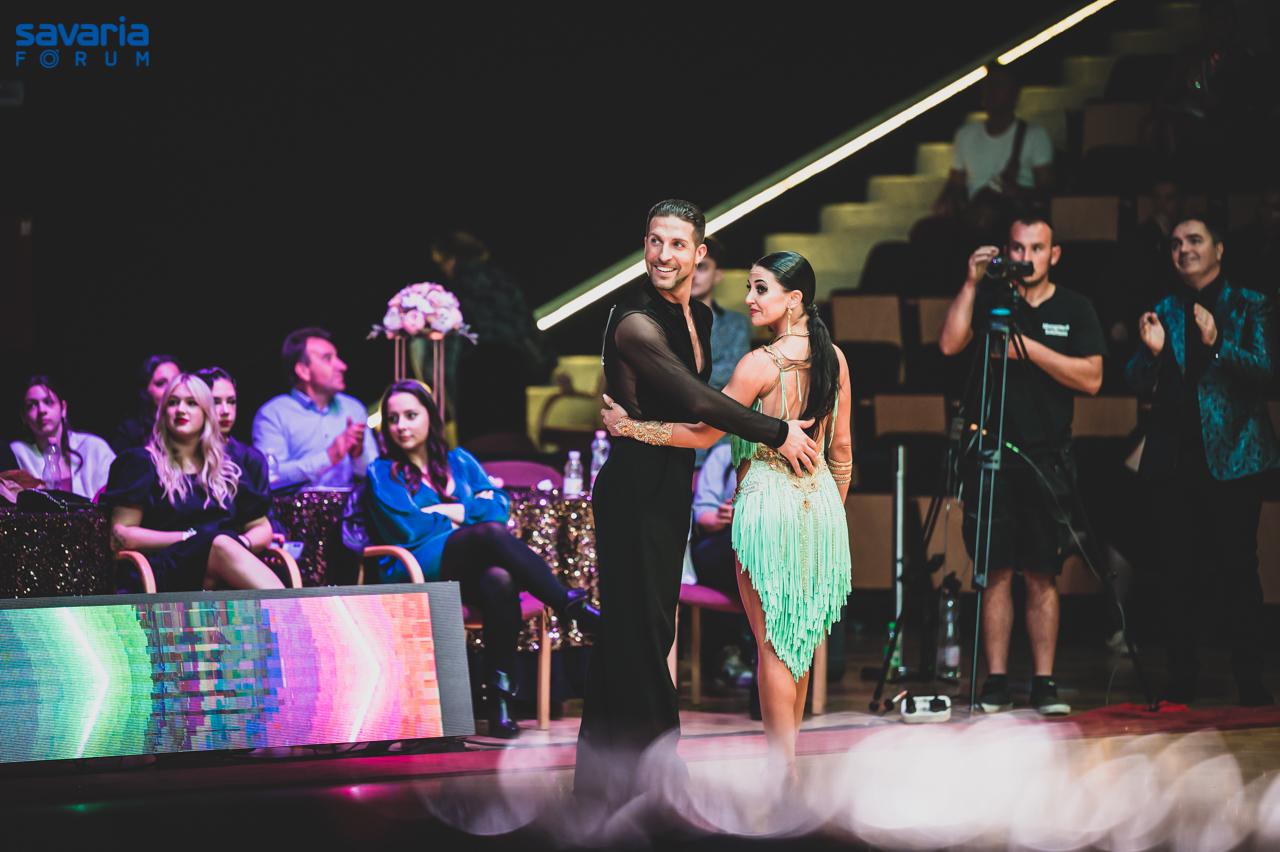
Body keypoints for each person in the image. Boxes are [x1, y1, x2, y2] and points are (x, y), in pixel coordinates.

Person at [574, 199, 820, 806]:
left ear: (699, 252)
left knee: (640, 633)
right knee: (640, 634)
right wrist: (778, 432)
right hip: (632, 488)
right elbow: (700, 401)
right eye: (654, 241)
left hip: (668, 484)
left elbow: (698, 419)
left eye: (677, 244)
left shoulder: (700, 316)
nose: (663, 255)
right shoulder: (633, 322)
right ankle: (658, 778)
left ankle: (605, 784)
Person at [604, 250, 853, 781]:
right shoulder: (835, 359)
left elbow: (703, 434)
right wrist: (829, 513)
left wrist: (632, 429)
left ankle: (781, 773)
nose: (749, 299)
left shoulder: (758, 364)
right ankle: (788, 769)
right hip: (822, 507)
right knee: (798, 642)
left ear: (794, 299)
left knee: (773, 645)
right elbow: (843, 452)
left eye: (761, 289)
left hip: (767, 505)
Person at [938, 213, 1106, 716]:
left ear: (1054, 254)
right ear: (1006, 251)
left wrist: (1028, 351)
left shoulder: (1075, 308)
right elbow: (949, 344)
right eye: (1017, 248)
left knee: (1041, 573)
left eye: (1036, 249)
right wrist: (971, 282)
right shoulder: (992, 300)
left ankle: (1043, 682)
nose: (1025, 258)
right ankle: (995, 681)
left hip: (1047, 457)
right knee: (993, 572)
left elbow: (1092, 378)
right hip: (990, 457)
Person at [364, 380, 598, 738]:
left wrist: (447, 511)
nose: (401, 426)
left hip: (463, 567)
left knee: (498, 579)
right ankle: (568, 603)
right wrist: (465, 514)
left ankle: (499, 702)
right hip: (415, 564)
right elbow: (409, 529)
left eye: (411, 415)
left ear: (430, 417)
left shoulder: (460, 462)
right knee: (487, 535)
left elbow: (499, 507)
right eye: (393, 419)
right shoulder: (382, 473)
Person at [1125, 216, 1278, 706]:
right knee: (1177, 571)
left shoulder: (1249, 304)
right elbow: (1135, 379)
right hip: (1176, 459)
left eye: (1195, 240)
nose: (1184, 250)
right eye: (1176, 243)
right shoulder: (1164, 309)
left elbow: (1267, 373)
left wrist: (1217, 346)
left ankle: (1250, 679)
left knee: (1239, 569)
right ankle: (1181, 677)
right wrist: (1151, 354)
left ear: (1219, 249)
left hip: (1234, 457)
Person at [102, 374, 284, 592]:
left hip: (222, 566)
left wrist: (242, 544)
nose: (180, 410)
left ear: (206, 413)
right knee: (218, 543)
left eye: (191, 403)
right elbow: (120, 535)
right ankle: (291, 608)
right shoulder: (141, 463)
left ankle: (287, 607)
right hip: (167, 568)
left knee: (222, 544)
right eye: (173, 403)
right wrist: (187, 537)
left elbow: (261, 527)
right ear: (163, 412)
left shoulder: (226, 468)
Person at [430, 230, 552, 442]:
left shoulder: (454, 290)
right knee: (511, 437)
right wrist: (544, 363)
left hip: (474, 370)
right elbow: (525, 324)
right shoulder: (503, 280)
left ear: (450, 259)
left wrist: (445, 384)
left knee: (477, 443)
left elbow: (452, 339)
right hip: (513, 365)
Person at [931, 66, 1054, 240]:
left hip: (1013, 217)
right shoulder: (965, 134)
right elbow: (956, 183)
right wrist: (946, 201)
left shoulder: (1034, 135)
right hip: (974, 214)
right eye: (988, 85)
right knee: (926, 230)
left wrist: (1017, 192)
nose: (991, 92)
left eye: (999, 86)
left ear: (1015, 95)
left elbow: (1047, 191)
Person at [252, 327, 378, 490]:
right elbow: (269, 478)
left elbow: (374, 474)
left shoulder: (353, 409)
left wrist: (358, 455)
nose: (342, 366)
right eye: (327, 358)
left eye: (337, 357)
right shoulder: (273, 414)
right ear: (303, 371)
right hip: (295, 506)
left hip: (351, 505)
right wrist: (329, 457)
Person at [688, 441, 754, 689]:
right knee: (742, 549)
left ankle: (758, 655)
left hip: (765, 545)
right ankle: (738, 652)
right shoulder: (724, 454)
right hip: (722, 541)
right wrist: (722, 516)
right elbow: (702, 515)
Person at [691, 235, 752, 466]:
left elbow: (734, 379)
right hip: (673, 435)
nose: (693, 275)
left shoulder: (736, 324)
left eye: (702, 268)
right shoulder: (660, 323)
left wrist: (680, 376)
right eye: (690, 267)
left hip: (721, 440)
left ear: (717, 275)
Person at [10, 375, 115, 499]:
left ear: (63, 408)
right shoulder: (17, 453)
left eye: (48, 402)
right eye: (32, 405)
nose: (41, 410)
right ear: (23, 417)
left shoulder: (94, 448)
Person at [195, 366, 272, 507]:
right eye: (215, 402)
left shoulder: (251, 460)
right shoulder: (184, 457)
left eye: (231, 401)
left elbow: (265, 515)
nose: (226, 411)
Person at [111, 354, 182, 452]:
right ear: (146, 390)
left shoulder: (193, 424)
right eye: (161, 383)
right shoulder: (129, 433)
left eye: (176, 381)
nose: (171, 389)